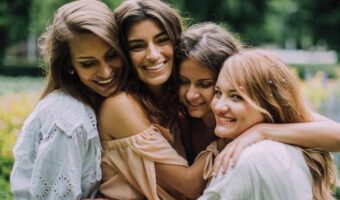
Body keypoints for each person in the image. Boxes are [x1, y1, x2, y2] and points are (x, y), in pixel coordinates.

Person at [175, 22, 340, 173]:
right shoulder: (179, 119)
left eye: (204, 84)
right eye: (183, 82)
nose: (191, 95)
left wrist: (263, 131)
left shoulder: (252, 115)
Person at [10, 0, 127, 199]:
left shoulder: (96, 101)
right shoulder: (68, 118)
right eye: (88, 63)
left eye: (112, 55)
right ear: (69, 65)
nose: (106, 71)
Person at [98, 0, 209, 199]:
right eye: (137, 46)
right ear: (123, 53)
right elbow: (189, 186)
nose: (153, 55)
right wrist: (230, 140)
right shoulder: (120, 105)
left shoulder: (179, 98)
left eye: (161, 40)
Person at [198, 49, 337, 200]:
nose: (218, 107)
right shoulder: (292, 147)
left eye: (236, 97)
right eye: (218, 93)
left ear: (268, 104)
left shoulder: (245, 160)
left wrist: (262, 131)